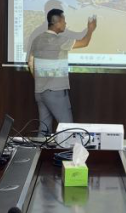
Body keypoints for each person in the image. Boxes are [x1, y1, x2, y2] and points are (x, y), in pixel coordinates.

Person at [29, 8, 97, 136]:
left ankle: (39, 149)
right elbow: (84, 43)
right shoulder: (59, 40)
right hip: (56, 92)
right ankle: (67, 150)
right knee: (67, 129)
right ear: (57, 23)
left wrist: (41, 81)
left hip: (39, 91)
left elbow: (30, 63)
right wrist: (90, 29)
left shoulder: (37, 39)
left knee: (44, 128)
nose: (65, 23)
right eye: (64, 20)